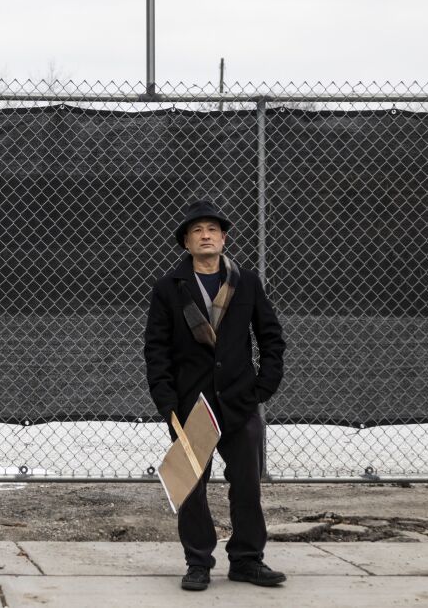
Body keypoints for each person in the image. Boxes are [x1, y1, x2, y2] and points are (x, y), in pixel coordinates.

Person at [144, 200, 287, 592]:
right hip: (192, 405)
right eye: (197, 230)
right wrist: (167, 402)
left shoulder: (247, 282)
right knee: (192, 487)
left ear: (223, 239)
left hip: (240, 401)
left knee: (247, 483)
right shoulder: (168, 288)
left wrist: (263, 386)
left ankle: (247, 560)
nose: (205, 235)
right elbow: (156, 350)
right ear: (186, 243)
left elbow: (271, 337)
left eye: (212, 229)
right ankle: (198, 562)